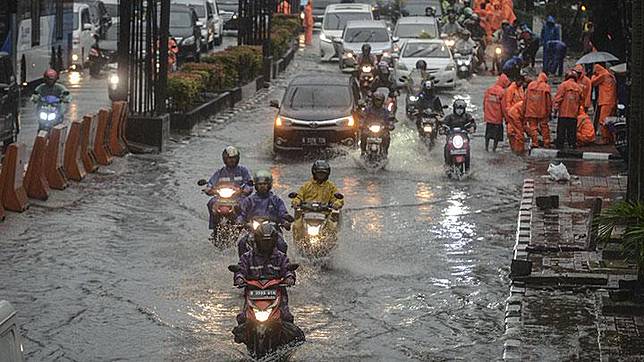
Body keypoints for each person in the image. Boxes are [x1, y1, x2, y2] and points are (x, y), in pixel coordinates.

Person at [232, 222, 296, 343]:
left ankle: (288, 344)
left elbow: (288, 269)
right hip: (253, 296)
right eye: (263, 241)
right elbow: (240, 270)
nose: (266, 245)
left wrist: (289, 278)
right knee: (242, 319)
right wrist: (239, 278)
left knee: (287, 318)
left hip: (277, 296)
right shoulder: (248, 257)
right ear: (257, 240)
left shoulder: (281, 257)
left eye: (269, 242)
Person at [236, 170, 291, 257]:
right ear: (256, 185)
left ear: (269, 185)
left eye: (265, 184)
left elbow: (282, 213)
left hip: (273, 231)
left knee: (282, 245)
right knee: (242, 243)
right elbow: (242, 214)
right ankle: (243, 267)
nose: (262, 186)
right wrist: (240, 222)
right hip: (253, 231)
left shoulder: (276, 200)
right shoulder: (249, 200)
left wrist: (285, 221)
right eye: (260, 184)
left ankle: (283, 266)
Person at [205, 146, 253, 240]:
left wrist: (246, 189)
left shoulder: (243, 171)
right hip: (221, 198)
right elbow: (211, 183)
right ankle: (214, 226)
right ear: (224, 159)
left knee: (246, 204)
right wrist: (209, 189)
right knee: (211, 203)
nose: (232, 160)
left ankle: (245, 224)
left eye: (234, 158)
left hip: (238, 197)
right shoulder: (220, 172)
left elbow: (249, 183)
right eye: (229, 158)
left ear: (238, 158)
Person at [291, 160, 344, 240]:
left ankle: (329, 246)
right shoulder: (306, 186)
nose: (321, 175)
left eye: (323, 174)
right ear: (314, 173)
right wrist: (296, 202)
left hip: (324, 215)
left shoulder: (331, 187)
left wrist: (337, 203)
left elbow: (338, 199)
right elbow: (298, 197)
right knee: (297, 226)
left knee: (332, 228)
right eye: (319, 173)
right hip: (307, 214)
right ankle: (299, 245)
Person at [441, 99, 476, 169]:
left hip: (463, 139)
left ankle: (467, 168)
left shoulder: (467, 117)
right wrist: (442, 129)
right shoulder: (449, 117)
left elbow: (472, 123)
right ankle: (447, 164)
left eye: (461, 109)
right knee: (446, 147)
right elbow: (443, 124)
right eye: (458, 109)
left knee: (467, 150)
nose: (459, 110)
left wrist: (472, 128)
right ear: (454, 109)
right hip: (451, 138)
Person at [553, 71, 583, 149]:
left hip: (563, 113)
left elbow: (558, 99)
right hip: (573, 114)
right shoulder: (579, 87)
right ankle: (572, 145)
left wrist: (555, 111)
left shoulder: (563, 85)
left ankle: (560, 146)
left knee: (561, 132)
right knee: (572, 132)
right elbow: (581, 101)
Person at [523, 72, 552, 148]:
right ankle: (546, 142)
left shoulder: (531, 85)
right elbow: (548, 101)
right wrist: (549, 112)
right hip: (542, 111)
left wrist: (524, 109)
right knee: (544, 126)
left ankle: (535, 143)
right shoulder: (546, 87)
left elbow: (525, 99)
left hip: (531, 110)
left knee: (533, 127)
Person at [591, 63, 617, 144]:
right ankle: (611, 138)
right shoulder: (611, 76)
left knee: (603, 120)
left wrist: (593, 75)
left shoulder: (603, 75)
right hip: (612, 101)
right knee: (610, 121)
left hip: (606, 101)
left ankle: (605, 139)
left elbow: (593, 82)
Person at [360, 90, 394, 155]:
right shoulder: (368, 109)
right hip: (369, 129)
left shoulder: (385, 111)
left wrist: (390, 125)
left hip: (382, 130)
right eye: (376, 100)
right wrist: (361, 124)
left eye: (379, 100)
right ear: (373, 100)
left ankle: (385, 151)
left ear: (382, 101)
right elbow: (363, 116)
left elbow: (390, 119)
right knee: (363, 135)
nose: (377, 102)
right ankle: (363, 151)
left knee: (386, 137)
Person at [483, 73, 510, 152]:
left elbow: (484, 102)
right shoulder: (502, 92)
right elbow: (504, 107)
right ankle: (494, 149)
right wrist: (506, 118)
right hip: (497, 118)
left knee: (488, 133)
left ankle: (486, 148)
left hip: (489, 117)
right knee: (496, 136)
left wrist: (485, 112)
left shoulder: (489, 89)